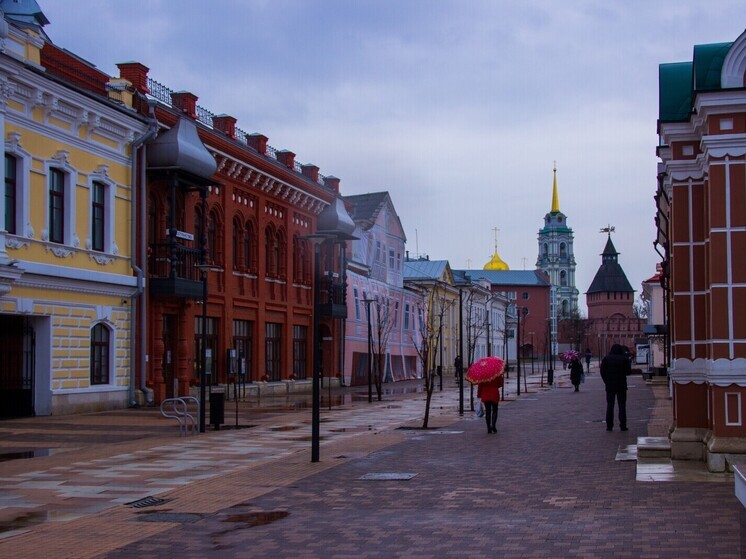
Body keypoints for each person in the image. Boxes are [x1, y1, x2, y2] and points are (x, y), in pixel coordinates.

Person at [600, 343, 632, 431]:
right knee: (622, 405)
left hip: (610, 385)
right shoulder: (624, 359)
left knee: (610, 405)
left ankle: (609, 426)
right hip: (621, 385)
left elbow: (602, 371)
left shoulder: (606, 359)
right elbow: (628, 372)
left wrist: (606, 381)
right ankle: (623, 425)